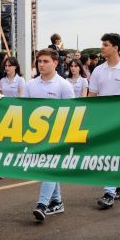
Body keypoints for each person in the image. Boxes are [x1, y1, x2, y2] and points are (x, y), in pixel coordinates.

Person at [88, 33, 120, 208]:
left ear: (116, 48)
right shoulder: (98, 70)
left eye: (106, 44)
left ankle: (109, 193)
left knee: (113, 155)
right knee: (108, 155)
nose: (102, 47)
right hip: (103, 120)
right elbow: (92, 96)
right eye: (102, 44)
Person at [26, 48, 74, 222]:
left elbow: (72, 113)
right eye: (39, 61)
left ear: (55, 63)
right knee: (48, 168)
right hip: (37, 135)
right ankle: (57, 201)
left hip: (57, 135)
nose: (41, 64)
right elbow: (25, 110)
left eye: (46, 61)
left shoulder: (64, 86)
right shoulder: (30, 85)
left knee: (49, 168)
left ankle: (42, 204)